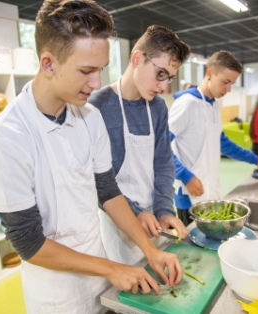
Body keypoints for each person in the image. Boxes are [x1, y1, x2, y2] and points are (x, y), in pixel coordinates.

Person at [0, 2, 183, 313]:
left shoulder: (89, 118)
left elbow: (108, 191)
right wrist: (112, 268)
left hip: (101, 281)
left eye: (100, 70)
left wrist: (150, 251)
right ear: (49, 64)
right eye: (86, 71)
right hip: (56, 294)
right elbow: (28, 243)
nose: (97, 83)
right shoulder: (7, 138)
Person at [89, 25, 190, 265]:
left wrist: (165, 210)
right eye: (160, 74)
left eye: (170, 78)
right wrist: (135, 213)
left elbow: (164, 163)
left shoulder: (157, 107)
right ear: (137, 59)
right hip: (114, 226)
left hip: (153, 220)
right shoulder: (97, 107)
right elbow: (97, 182)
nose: (164, 85)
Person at [169, 51, 258, 226]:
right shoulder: (187, 104)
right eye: (226, 82)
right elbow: (160, 145)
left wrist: (254, 159)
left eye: (232, 84)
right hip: (188, 194)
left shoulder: (213, 106)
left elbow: (223, 143)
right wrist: (185, 176)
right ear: (210, 73)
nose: (228, 90)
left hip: (210, 189)